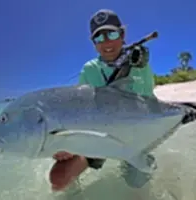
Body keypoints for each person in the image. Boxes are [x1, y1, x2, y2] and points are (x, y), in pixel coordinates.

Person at [49, 8, 156, 192]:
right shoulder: (89, 70)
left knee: (137, 182)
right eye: (99, 38)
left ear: (122, 35)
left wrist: (183, 114)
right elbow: (79, 112)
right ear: (94, 44)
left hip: (131, 139)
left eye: (112, 34)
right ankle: (75, 194)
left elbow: (150, 103)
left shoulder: (140, 66)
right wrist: (65, 144)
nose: (106, 42)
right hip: (97, 138)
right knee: (59, 178)